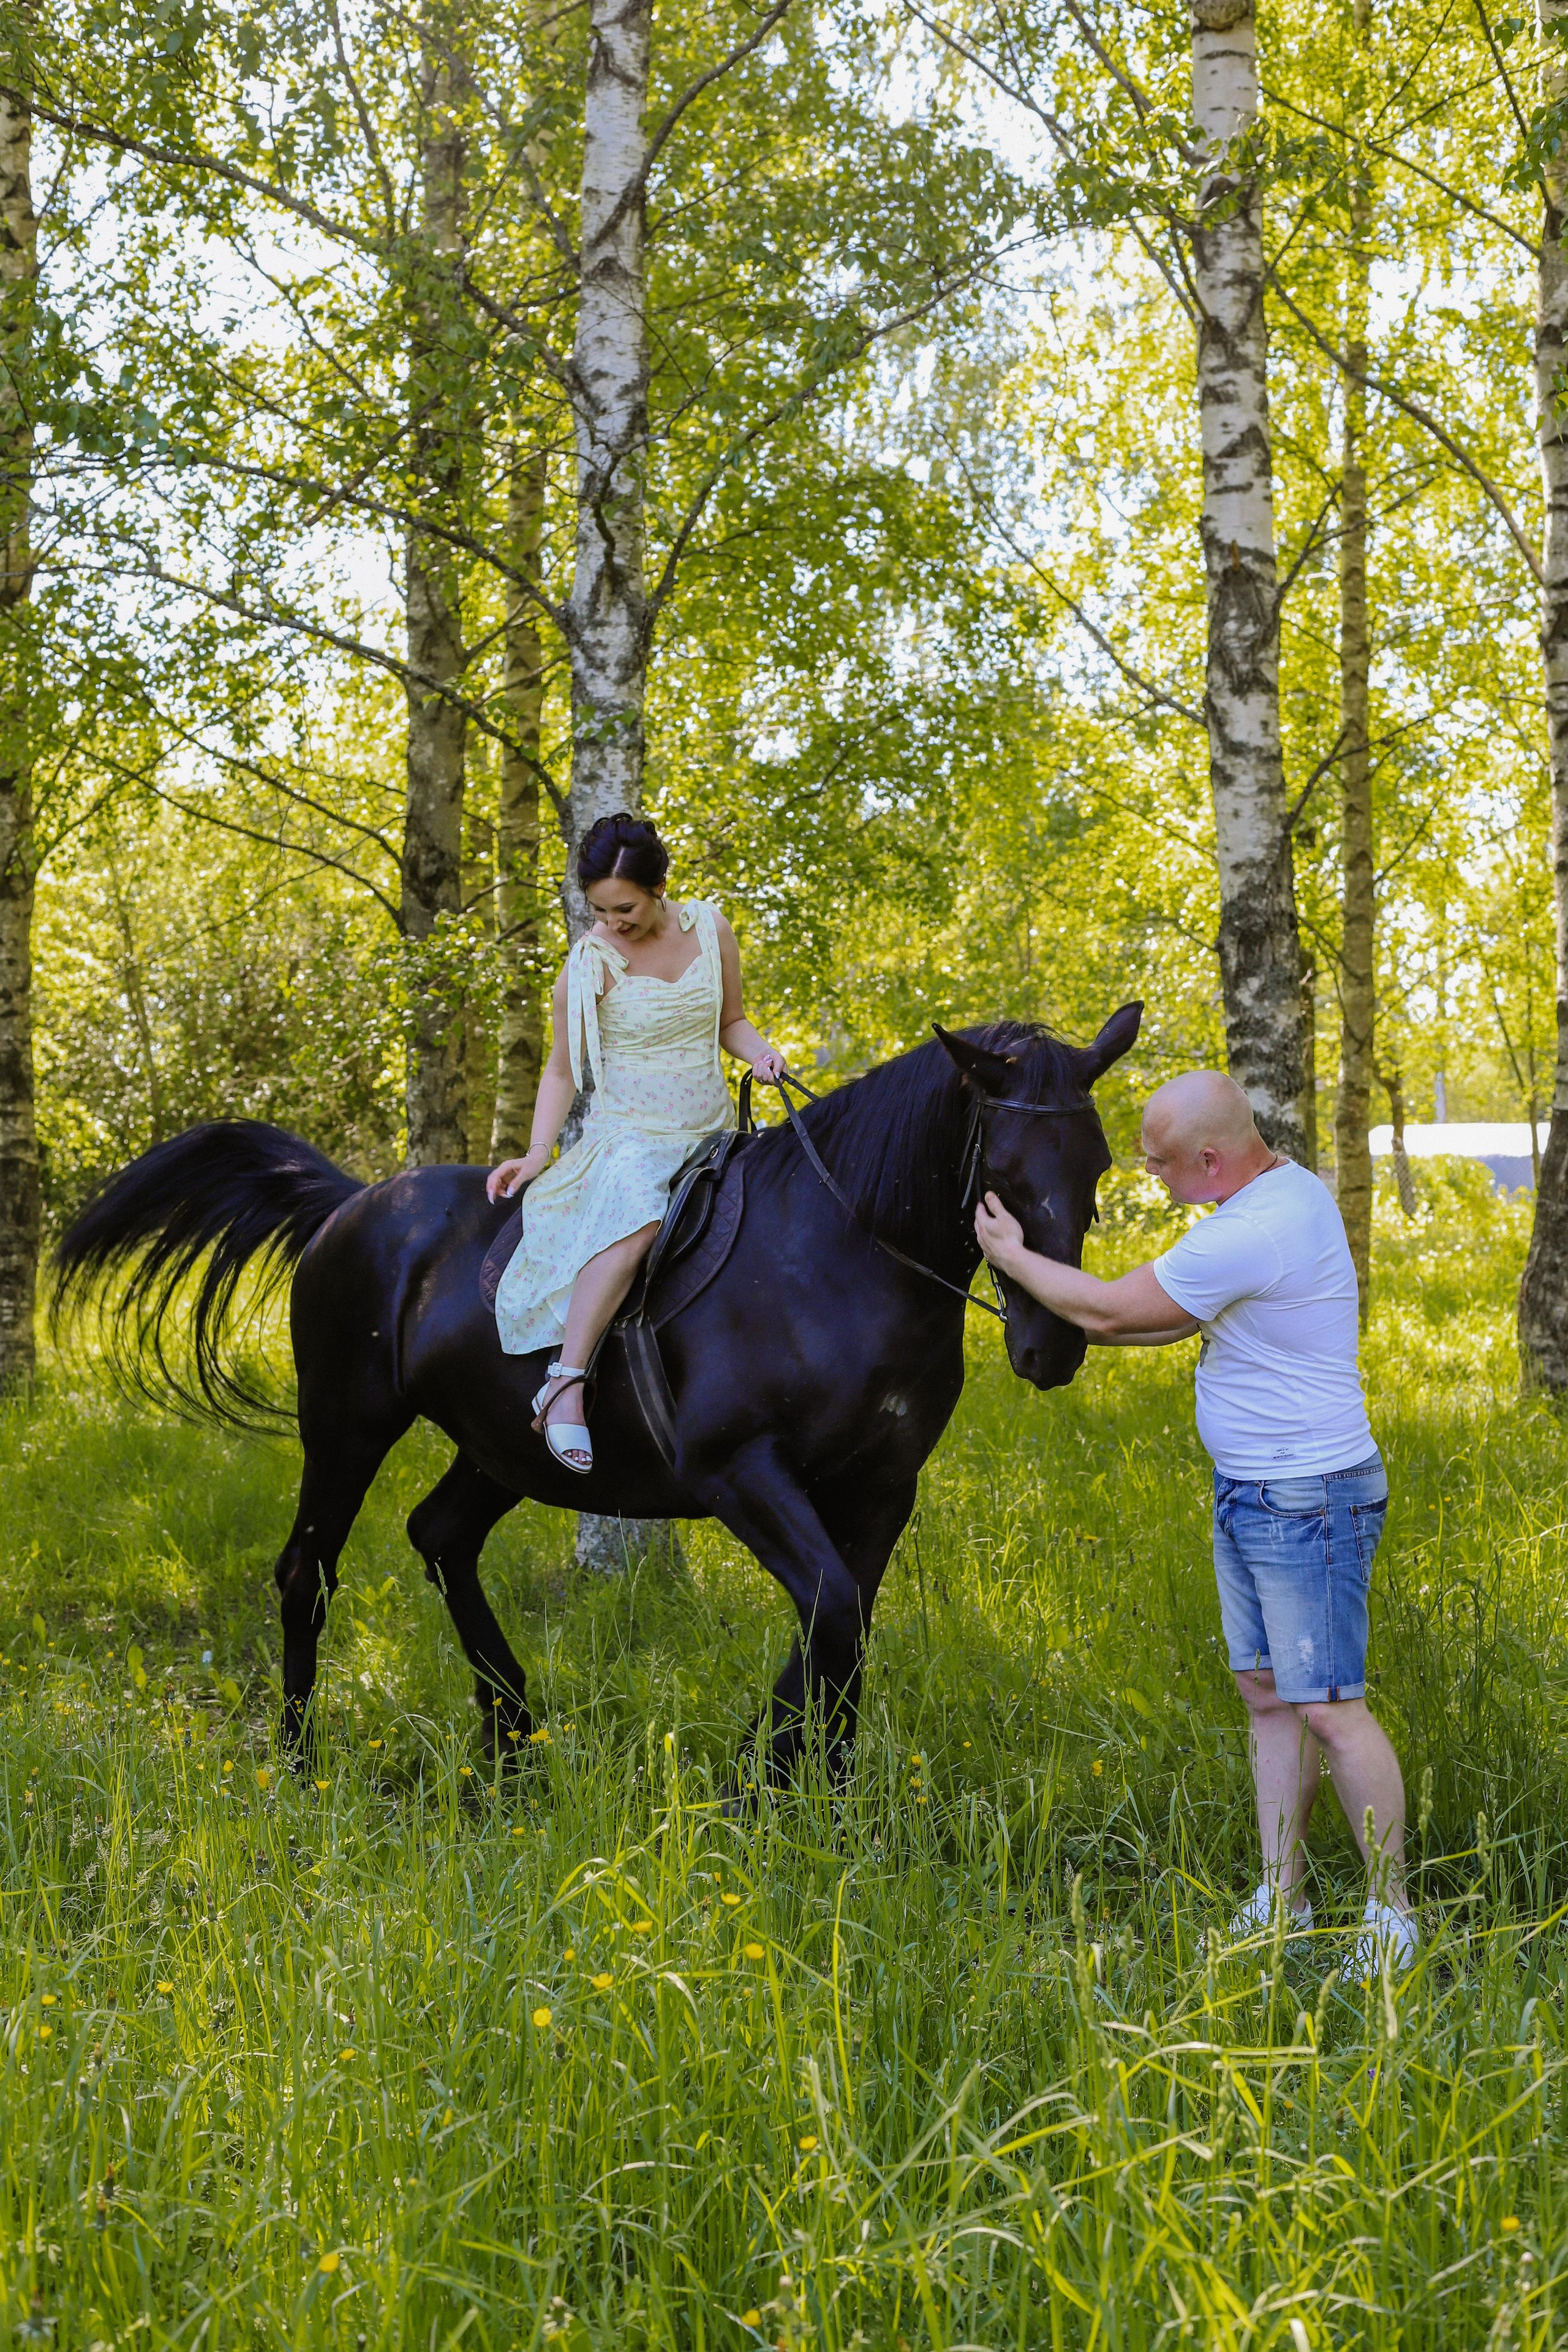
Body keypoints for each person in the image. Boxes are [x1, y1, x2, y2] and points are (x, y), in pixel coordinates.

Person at [973, 1067, 1418, 1979]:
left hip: (1307, 1498)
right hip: (1255, 1491)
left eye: (1162, 1164)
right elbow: (1148, 1325)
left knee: (1333, 1711)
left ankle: (1392, 1913)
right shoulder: (1271, 1195)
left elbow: (1109, 1307)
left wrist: (1013, 1256)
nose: (1153, 1177)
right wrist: (1081, 1318)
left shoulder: (1255, 1229)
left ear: (1212, 1160)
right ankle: (1281, 1895)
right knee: (1266, 1694)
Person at [487, 812, 783, 1474]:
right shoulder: (588, 963)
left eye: (624, 908)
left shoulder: (710, 927)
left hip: (710, 1128)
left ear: (658, 889)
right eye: (597, 909)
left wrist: (760, 1054)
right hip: (631, 1136)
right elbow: (562, 1070)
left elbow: (731, 1020)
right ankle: (566, 1383)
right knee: (638, 1218)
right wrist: (537, 1154)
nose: (611, 923)